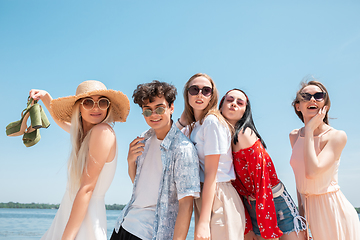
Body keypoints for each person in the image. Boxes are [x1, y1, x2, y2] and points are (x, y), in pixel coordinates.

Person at [29, 80, 130, 240]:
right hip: (71, 213)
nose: (96, 107)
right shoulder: (83, 135)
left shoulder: (102, 131)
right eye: (88, 102)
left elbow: (87, 188)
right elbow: (61, 121)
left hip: (86, 219)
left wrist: (67, 237)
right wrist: (46, 97)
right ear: (79, 108)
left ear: (108, 107)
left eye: (102, 102)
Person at [110, 80, 200, 240]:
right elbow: (138, 185)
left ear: (171, 108)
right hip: (123, 225)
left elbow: (186, 205)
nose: (154, 115)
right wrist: (130, 160)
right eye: (147, 111)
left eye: (159, 108)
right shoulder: (144, 139)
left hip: (150, 233)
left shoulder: (183, 149)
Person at [219, 89, 307, 240]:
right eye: (230, 100)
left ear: (245, 111)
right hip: (252, 203)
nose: (234, 104)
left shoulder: (244, 135)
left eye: (240, 103)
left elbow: (262, 181)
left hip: (273, 200)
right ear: (221, 105)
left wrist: (268, 228)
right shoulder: (222, 136)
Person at [177, 73, 245, 240]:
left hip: (219, 195)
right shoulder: (195, 127)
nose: (200, 94)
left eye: (206, 90)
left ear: (212, 96)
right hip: (205, 197)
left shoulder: (212, 122)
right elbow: (169, 140)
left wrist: (203, 222)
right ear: (187, 93)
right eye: (194, 90)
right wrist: (183, 119)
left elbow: (211, 174)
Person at [289, 80, 360, 240]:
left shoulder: (336, 136)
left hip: (333, 211)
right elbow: (299, 182)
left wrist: (309, 130)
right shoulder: (294, 136)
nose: (312, 99)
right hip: (309, 211)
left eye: (318, 96)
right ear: (298, 106)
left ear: (325, 105)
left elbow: (312, 172)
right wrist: (302, 217)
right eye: (306, 96)